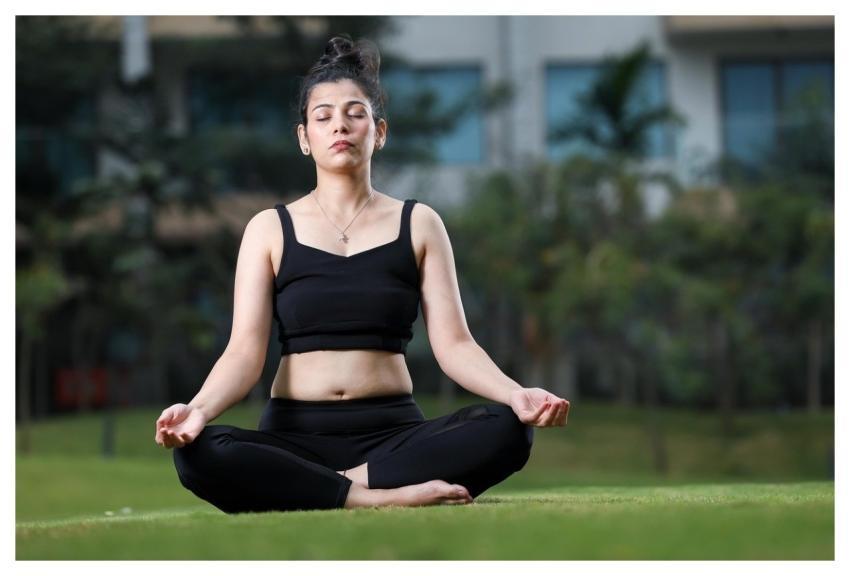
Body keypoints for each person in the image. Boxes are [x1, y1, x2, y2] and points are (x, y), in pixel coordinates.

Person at [154, 34, 570, 514]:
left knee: (508, 430)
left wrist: (517, 394)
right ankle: (378, 497)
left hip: (392, 436)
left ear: (380, 131)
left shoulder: (419, 223)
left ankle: (321, 489)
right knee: (198, 454)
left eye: (355, 113)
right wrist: (197, 410)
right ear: (304, 138)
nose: (340, 125)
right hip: (294, 436)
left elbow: (455, 345)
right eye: (323, 116)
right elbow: (244, 354)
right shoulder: (268, 229)